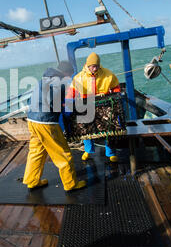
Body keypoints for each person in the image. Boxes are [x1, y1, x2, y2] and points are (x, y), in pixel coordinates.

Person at [23, 61, 86, 191]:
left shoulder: (43, 79)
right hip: (46, 123)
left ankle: (32, 181)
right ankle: (70, 184)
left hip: (31, 120)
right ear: (67, 73)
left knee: (36, 152)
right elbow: (63, 108)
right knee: (63, 153)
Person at [66, 52, 120, 162]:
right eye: (92, 66)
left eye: (96, 66)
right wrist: (67, 103)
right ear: (87, 65)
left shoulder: (108, 74)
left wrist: (113, 95)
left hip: (104, 106)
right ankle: (88, 150)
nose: (95, 69)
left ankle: (111, 153)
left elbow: (116, 88)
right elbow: (71, 92)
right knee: (85, 129)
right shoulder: (79, 77)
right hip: (86, 106)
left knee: (109, 127)